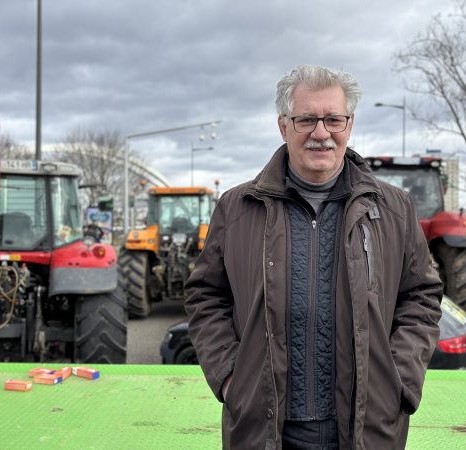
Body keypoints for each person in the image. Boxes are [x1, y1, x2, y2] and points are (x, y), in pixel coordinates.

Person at [184, 64, 443, 449]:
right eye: (306, 119)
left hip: (366, 427)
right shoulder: (237, 208)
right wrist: (229, 377)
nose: (321, 133)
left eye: (333, 119)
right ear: (284, 126)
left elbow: (421, 296)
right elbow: (206, 295)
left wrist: (399, 380)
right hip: (264, 427)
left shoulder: (394, 208)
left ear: (349, 124)